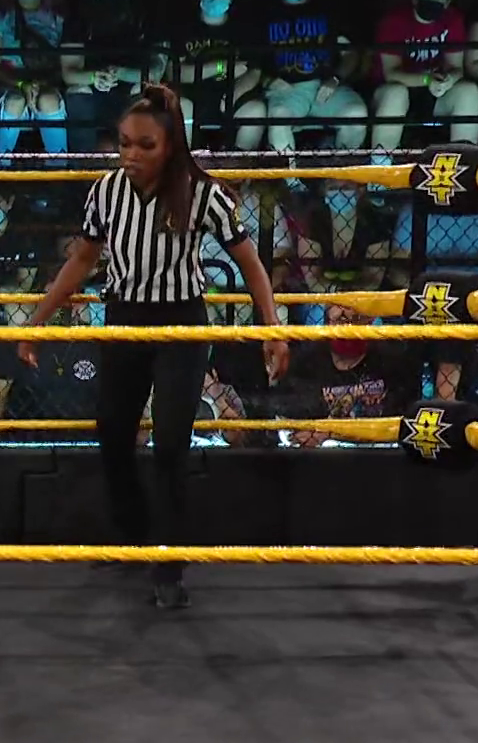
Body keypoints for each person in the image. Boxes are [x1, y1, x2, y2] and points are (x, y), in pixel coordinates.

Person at [17, 84, 287, 610]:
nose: (131, 155)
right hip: (125, 318)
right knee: (113, 432)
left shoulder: (202, 194)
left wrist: (271, 327)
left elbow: (250, 262)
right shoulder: (106, 191)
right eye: (124, 144)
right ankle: (130, 535)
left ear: (169, 147)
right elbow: (82, 259)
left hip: (181, 324)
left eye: (144, 145)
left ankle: (169, 563)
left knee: (169, 443)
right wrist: (36, 321)